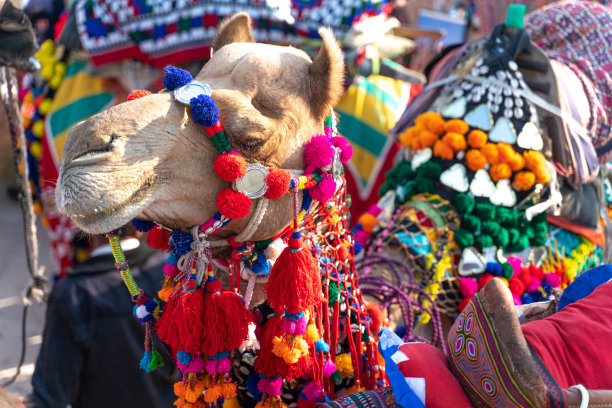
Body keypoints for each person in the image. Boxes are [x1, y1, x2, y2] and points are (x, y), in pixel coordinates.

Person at [23, 227, 176, 408]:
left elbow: (50, 396)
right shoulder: (171, 273)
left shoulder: (73, 294)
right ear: (138, 225)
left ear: (84, 228)